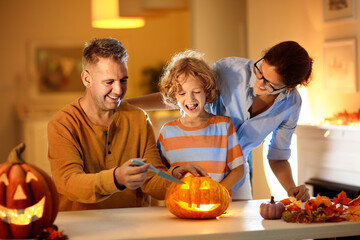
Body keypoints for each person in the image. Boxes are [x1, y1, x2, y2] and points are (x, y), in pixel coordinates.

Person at [125, 41, 313, 201]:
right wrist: (125, 105)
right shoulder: (230, 71)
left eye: (270, 84)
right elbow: (186, 91)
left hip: (237, 171)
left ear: (289, 88)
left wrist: (290, 189)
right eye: (260, 72)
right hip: (202, 164)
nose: (259, 83)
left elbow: (278, 156)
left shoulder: (291, 104)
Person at [47, 38, 206, 211]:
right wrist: (116, 179)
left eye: (123, 80)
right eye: (109, 82)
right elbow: (69, 183)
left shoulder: (138, 118)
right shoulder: (63, 124)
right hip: (83, 228)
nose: (119, 90)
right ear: (87, 79)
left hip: (134, 225)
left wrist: (173, 175)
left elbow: (152, 179)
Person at [156, 50, 245, 192]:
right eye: (182, 93)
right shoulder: (167, 132)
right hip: (179, 205)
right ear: (174, 96)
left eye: (196, 92)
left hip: (216, 206)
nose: (190, 99)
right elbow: (159, 173)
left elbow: (239, 170)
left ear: (207, 91)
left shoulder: (224, 126)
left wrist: (218, 191)